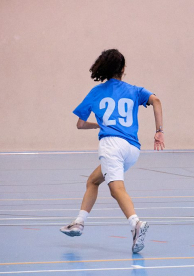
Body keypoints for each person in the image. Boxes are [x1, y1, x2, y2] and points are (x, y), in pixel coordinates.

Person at [60, 49, 164, 254]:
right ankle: (79, 222)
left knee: (116, 189)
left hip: (112, 146)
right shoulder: (134, 90)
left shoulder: (96, 92)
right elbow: (157, 101)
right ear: (123, 69)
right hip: (133, 149)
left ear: (104, 69)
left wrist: (99, 125)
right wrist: (159, 131)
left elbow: (80, 124)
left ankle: (136, 223)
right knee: (93, 180)